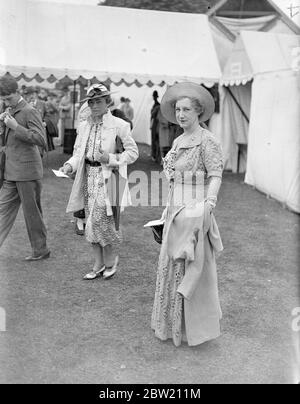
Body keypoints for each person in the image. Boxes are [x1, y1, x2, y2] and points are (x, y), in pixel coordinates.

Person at [151, 82, 224, 347]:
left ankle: (193, 328)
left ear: (198, 112)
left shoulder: (208, 141)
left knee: (190, 266)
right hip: (175, 207)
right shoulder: (179, 140)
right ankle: (172, 324)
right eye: (178, 109)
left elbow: (215, 175)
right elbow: (172, 178)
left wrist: (207, 206)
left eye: (186, 110)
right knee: (172, 262)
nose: (181, 115)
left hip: (195, 209)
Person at [60, 83, 138, 280]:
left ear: (107, 102)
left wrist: (110, 158)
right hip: (88, 177)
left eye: (98, 101)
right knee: (89, 221)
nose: (94, 105)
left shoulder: (120, 125)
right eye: (91, 102)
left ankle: (109, 260)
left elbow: (132, 153)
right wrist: (69, 165)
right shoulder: (84, 126)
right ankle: (99, 263)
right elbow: (78, 153)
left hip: (110, 179)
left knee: (102, 220)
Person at [0, 75, 50, 260]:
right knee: (2, 210)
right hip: (11, 171)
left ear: (17, 92)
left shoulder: (30, 111)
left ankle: (41, 250)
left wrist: (15, 126)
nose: (6, 102)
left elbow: (40, 139)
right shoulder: (9, 110)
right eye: (3, 99)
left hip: (28, 172)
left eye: (8, 98)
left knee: (32, 215)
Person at [150, 90, 160, 162]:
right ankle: (155, 155)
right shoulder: (156, 104)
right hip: (155, 124)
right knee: (155, 140)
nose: (154, 98)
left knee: (155, 140)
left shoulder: (157, 105)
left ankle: (155, 155)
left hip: (156, 124)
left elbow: (153, 115)